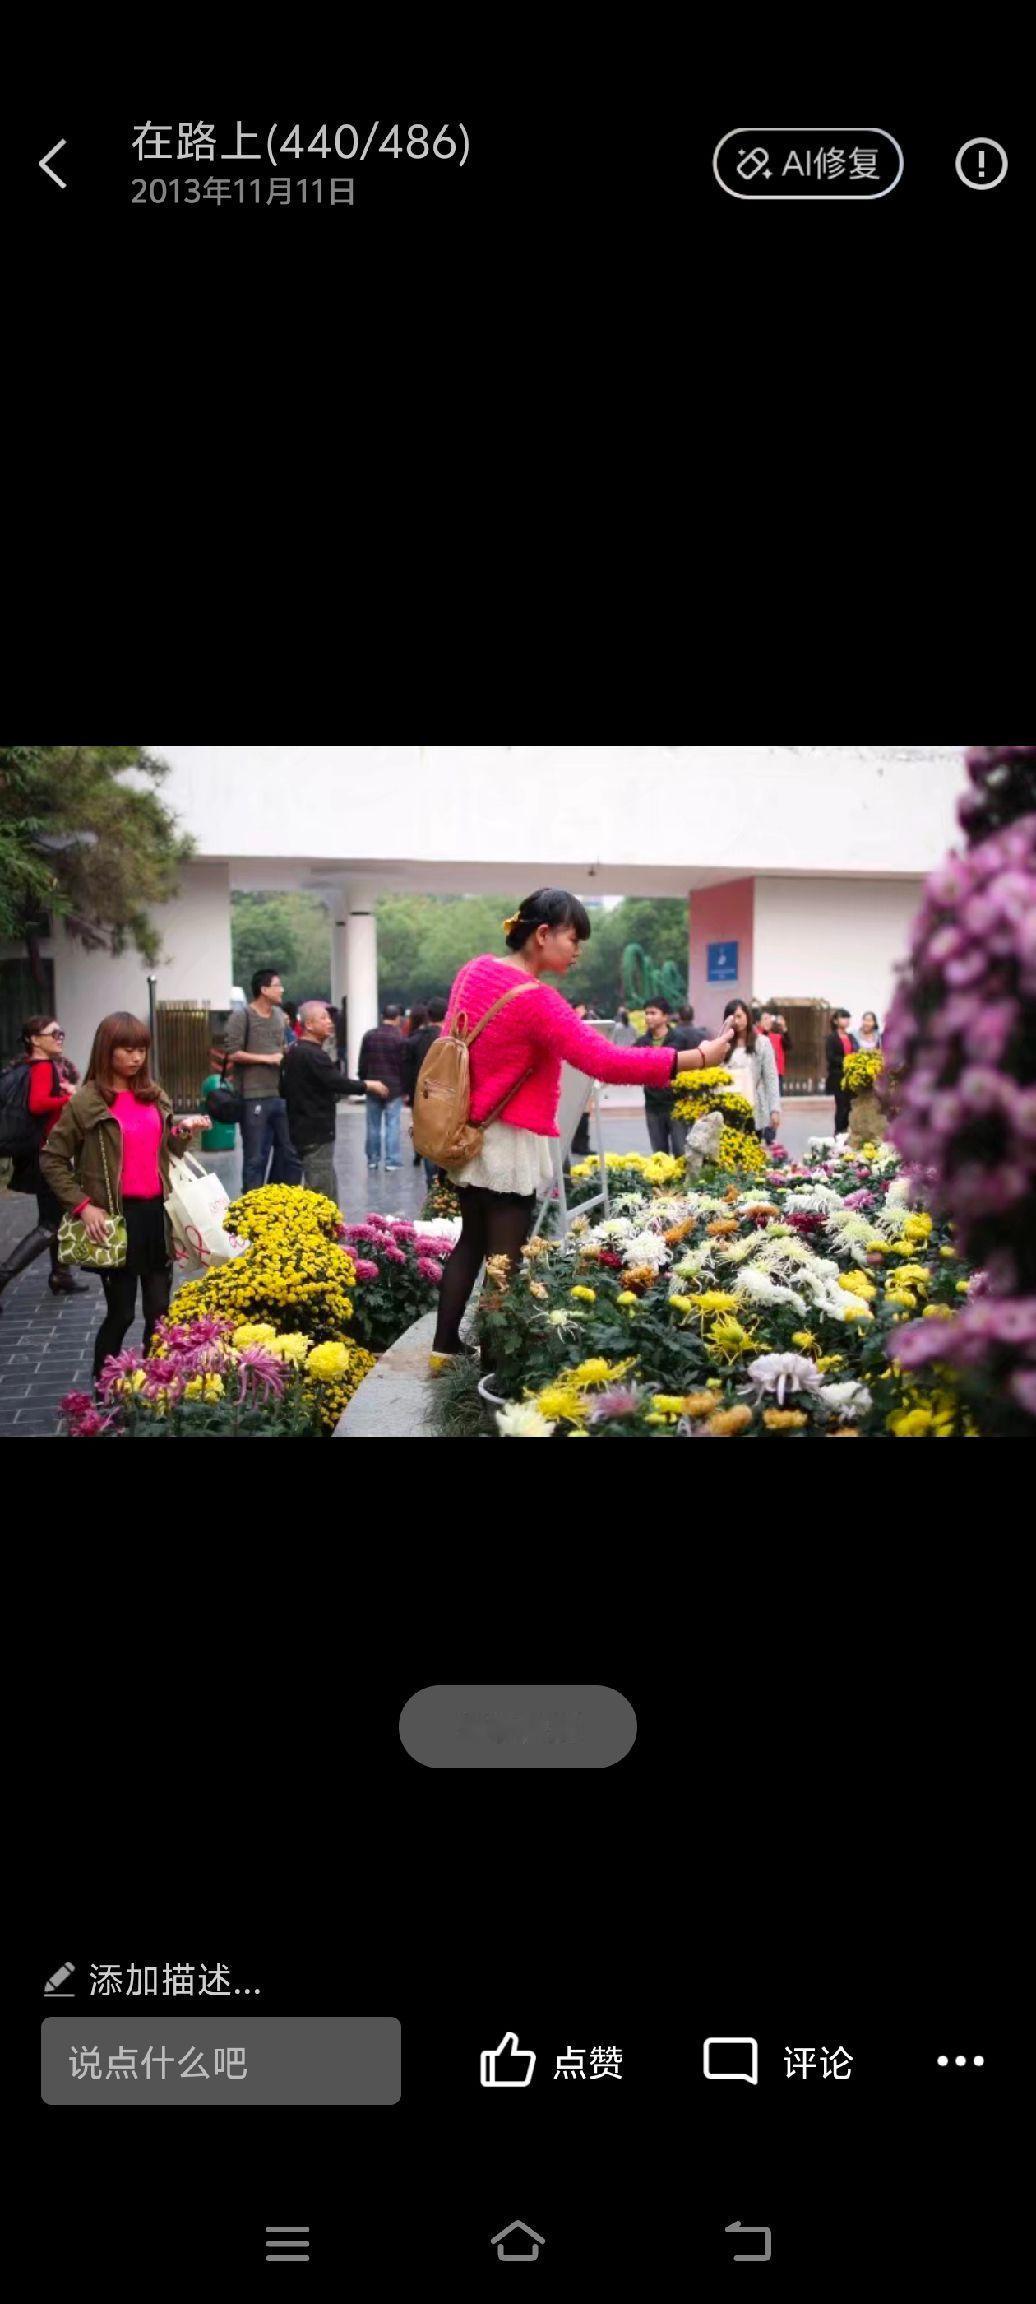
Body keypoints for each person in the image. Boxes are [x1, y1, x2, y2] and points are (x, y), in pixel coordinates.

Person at [429, 889, 736, 1373]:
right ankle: (494, 1369)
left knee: (471, 1241)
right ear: (542, 934)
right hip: (508, 1139)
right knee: (504, 1259)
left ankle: (444, 1349)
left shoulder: (474, 971)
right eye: (573, 939)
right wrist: (697, 1058)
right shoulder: (537, 1001)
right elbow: (605, 1061)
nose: (577, 952)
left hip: (467, 1132)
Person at [39, 1011, 210, 1384]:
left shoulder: (155, 1096)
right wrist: (83, 1206)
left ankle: (155, 1384)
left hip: (155, 1215)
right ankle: (103, 1389)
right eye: (127, 1049)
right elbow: (51, 1158)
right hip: (115, 1220)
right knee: (121, 1314)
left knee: (159, 1311)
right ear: (107, 1049)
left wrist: (182, 1132)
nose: (136, 1058)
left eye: (142, 1050)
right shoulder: (86, 1102)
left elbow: (167, 1151)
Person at [0, 1015, 91, 1313]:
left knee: (60, 1216)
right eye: (53, 1034)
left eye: (60, 1033)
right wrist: (70, 1098)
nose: (59, 1038)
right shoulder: (42, 1067)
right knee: (51, 1223)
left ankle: (61, 1275)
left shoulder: (32, 1066)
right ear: (33, 1040)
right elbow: (37, 1104)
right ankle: (4, 1275)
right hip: (49, 1155)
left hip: (44, 1152)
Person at [281, 1003, 378, 1208]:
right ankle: (322, 1227)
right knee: (321, 1191)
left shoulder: (294, 1050)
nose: (330, 1022)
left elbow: (283, 1089)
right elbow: (337, 1082)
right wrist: (368, 1085)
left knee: (324, 1184)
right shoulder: (313, 1054)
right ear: (309, 1024)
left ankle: (331, 1224)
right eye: (323, 1018)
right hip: (315, 1131)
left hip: (302, 1128)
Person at [224, 969, 303, 1193]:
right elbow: (233, 1053)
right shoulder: (242, 1016)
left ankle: (280, 1199)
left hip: (280, 1094)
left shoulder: (279, 1016)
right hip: (253, 1096)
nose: (282, 990)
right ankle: (253, 1203)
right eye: (277, 986)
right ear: (264, 989)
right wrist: (267, 1059)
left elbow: (281, 1047)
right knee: (255, 1157)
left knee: (290, 1153)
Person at [634, 997, 690, 1156]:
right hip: (653, 1104)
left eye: (653, 1013)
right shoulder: (641, 1042)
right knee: (659, 1155)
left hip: (677, 1104)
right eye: (646, 1013)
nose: (648, 1017)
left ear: (665, 1017)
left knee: (681, 1152)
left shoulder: (679, 1040)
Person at [721, 999, 782, 1143]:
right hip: (729, 1108)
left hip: (754, 1106)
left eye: (739, 1016)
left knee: (751, 1149)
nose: (736, 1021)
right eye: (732, 1018)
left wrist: (774, 1109)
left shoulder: (762, 1042)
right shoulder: (723, 1044)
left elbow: (771, 1077)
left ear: (747, 1016)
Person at [358, 1003, 409, 1172]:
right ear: (397, 1018)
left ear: (382, 1017)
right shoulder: (400, 1039)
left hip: (373, 1086)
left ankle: (373, 1159)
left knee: (373, 1125)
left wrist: (364, 1082)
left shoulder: (369, 1036)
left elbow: (363, 1062)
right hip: (394, 1088)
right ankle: (392, 1160)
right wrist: (405, 1089)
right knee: (392, 1125)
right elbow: (404, 1066)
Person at [403, 998, 448, 1186]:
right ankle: (445, 1181)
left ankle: (432, 1181)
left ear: (428, 1016)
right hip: (447, 1098)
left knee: (428, 1140)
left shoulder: (415, 1039)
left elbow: (407, 1070)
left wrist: (409, 1095)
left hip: (422, 1097)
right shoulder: (451, 1039)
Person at [825, 1008, 855, 1137]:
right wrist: (847, 1061)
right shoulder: (831, 1038)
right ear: (836, 1021)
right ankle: (838, 1133)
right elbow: (831, 1057)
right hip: (838, 1077)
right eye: (843, 1018)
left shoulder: (851, 1037)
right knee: (841, 1107)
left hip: (851, 1077)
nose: (846, 1020)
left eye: (847, 1018)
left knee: (850, 1107)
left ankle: (847, 1133)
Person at [757, 1008, 790, 1098]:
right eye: (765, 1019)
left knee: (777, 1100)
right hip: (761, 1075)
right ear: (758, 1022)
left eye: (769, 1019)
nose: (768, 1022)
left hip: (777, 1074)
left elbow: (788, 1045)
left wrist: (784, 1028)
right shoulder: (756, 1036)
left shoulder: (776, 1036)